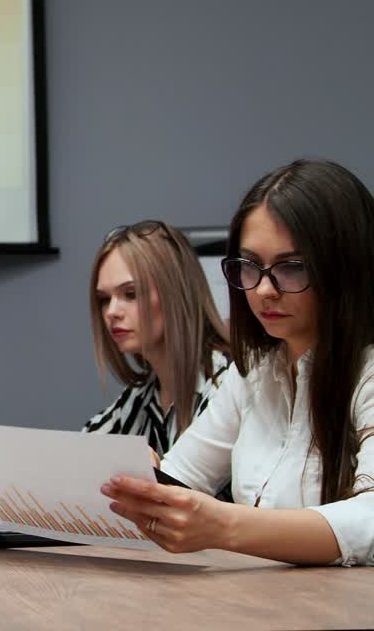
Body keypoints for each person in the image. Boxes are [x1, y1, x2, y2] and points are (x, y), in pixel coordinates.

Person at [104, 159, 374, 566]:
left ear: (346, 268)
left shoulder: (366, 371)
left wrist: (225, 526)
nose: (264, 290)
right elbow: (182, 476)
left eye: (292, 267)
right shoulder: (254, 373)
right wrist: (144, 482)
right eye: (249, 266)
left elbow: (370, 520)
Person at [83, 220, 233, 454]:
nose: (112, 312)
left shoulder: (229, 385)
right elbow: (76, 455)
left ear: (175, 293)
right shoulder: (138, 399)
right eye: (104, 299)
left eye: (130, 294)